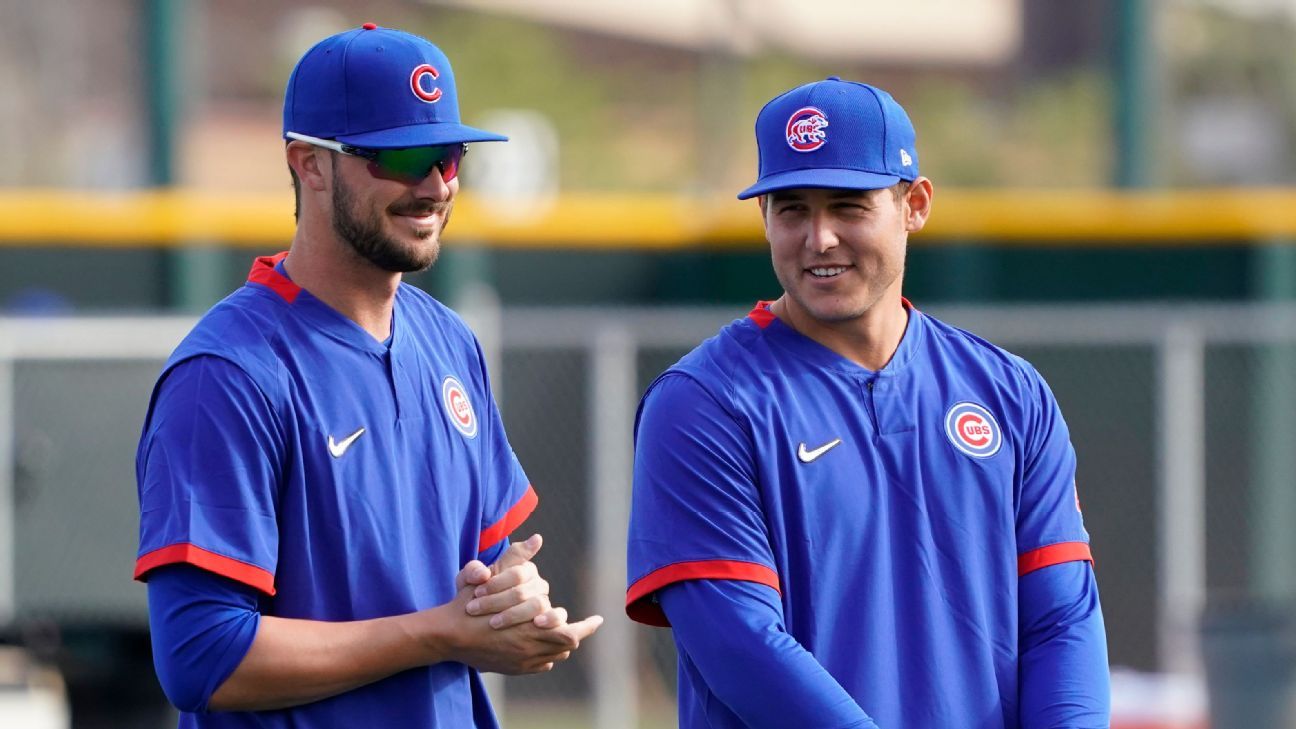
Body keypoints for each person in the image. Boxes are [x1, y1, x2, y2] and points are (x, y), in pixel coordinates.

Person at [134, 24, 601, 727]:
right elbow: (203, 654)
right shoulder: (228, 374)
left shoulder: (448, 340)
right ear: (308, 164)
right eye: (402, 156)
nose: (435, 185)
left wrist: (512, 591)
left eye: (449, 156)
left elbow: (478, 562)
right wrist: (442, 631)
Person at [625, 77, 1110, 728]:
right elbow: (740, 645)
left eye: (849, 206)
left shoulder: (1009, 392)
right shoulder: (703, 403)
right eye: (791, 208)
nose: (818, 238)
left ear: (915, 205)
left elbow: (1060, 619)